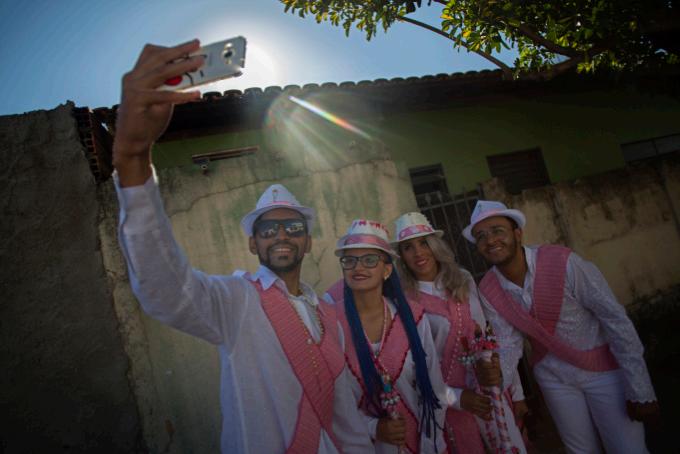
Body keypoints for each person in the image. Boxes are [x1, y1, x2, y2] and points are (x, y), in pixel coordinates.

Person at [112, 39, 373, 453]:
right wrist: (133, 159)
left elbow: (344, 413)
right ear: (253, 244)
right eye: (268, 230)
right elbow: (166, 291)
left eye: (292, 226)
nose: (281, 235)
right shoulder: (236, 301)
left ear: (307, 241)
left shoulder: (327, 314)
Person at [463, 200, 660, 453]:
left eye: (497, 230)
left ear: (518, 233)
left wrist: (640, 388)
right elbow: (508, 344)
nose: (490, 240)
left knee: (627, 449)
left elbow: (614, 319)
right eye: (481, 236)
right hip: (553, 377)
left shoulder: (562, 262)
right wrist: (498, 376)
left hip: (603, 371)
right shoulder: (489, 288)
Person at [393, 212, 527, 454]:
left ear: (435, 245)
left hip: (489, 390)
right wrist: (456, 398)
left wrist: (516, 391)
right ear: (401, 256)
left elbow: (489, 338)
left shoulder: (462, 279)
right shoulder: (403, 301)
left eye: (424, 243)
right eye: (408, 247)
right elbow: (414, 369)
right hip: (449, 403)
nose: (418, 253)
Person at [324, 219, 447, 453]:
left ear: (387, 270)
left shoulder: (412, 317)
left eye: (370, 260)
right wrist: (374, 428)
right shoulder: (330, 325)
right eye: (349, 260)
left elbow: (434, 385)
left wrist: (432, 444)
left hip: (421, 441)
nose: (358, 267)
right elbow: (335, 405)